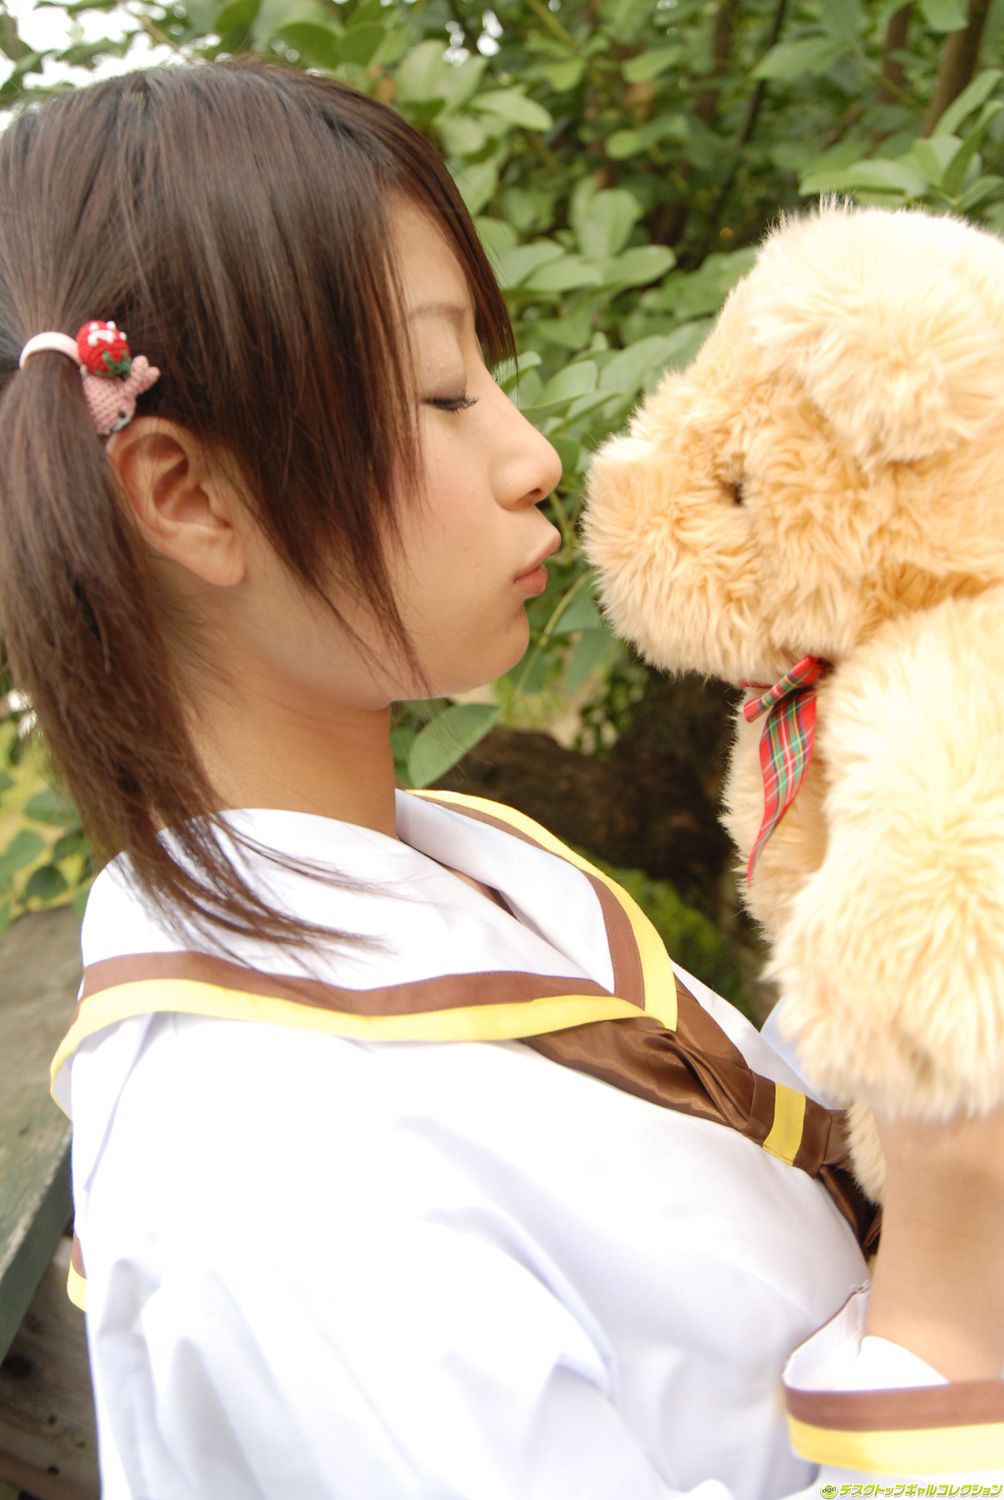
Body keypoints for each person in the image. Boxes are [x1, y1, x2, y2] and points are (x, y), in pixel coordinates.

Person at [0, 60, 1000, 1500]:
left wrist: (920, 943)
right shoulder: (277, 1180)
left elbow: (736, 1180)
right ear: (188, 494)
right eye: (442, 391)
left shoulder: (448, 852)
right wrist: (951, 1299)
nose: (534, 455)